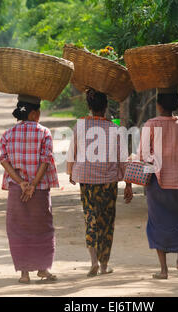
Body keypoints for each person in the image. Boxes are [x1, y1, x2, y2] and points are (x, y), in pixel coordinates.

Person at [67, 88, 133, 277]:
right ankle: (104, 266)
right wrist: (128, 184)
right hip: (107, 181)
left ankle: (93, 261)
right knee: (106, 222)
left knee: (90, 218)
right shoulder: (114, 128)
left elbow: (73, 151)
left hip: (86, 179)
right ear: (105, 107)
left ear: (89, 106)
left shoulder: (80, 126)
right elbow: (123, 159)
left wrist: (72, 172)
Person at [139, 88, 178, 280]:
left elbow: (143, 156)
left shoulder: (150, 124)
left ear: (158, 105)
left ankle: (163, 270)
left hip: (158, 182)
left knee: (158, 223)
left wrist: (144, 181)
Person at [0, 95, 59, 283]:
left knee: (18, 229)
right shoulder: (44, 133)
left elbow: (4, 160)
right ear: (34, 114)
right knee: (43, 228)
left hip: (17, 190)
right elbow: (45, 160)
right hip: (39, 190)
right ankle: (43, 269)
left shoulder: (8, 134)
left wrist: (22, 183)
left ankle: (24, 274)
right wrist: (32, 185)